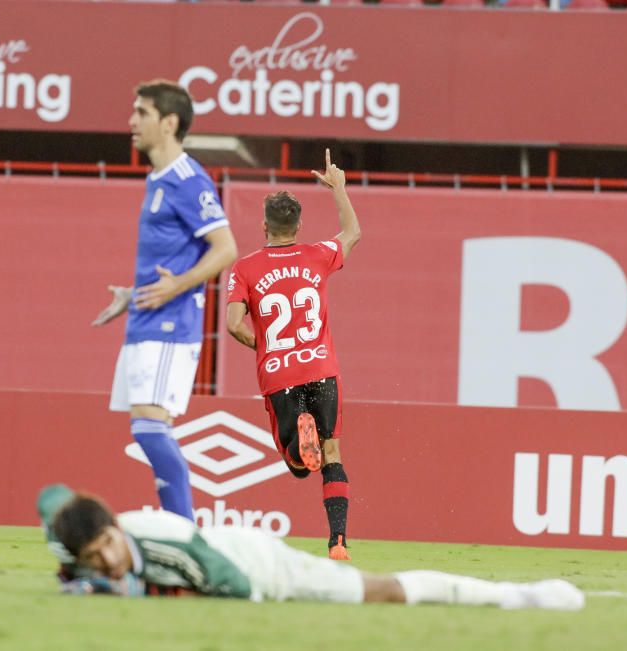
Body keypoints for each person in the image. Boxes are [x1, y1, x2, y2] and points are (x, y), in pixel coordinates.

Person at [37, 484, 586, 610]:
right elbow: (52, 502)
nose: (106, 561)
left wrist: (135, 593)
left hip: (260, 565)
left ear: (117, 527)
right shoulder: (82, 551)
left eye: (108, 546)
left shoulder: (170, 543)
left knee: (381, 592)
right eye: (93, 560)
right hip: (232, 563)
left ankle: (514, 596)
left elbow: (237, 590)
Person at [92, 80, 238, 521]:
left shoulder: (187, 179)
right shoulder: (157, 178)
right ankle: (180, 530)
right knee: (148, 430)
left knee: (150, 430)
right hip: (146, 319)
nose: (131, 122)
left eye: (142, 112)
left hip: (170, 325)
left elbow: (226, 247)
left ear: (169, 122)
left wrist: (177, 287)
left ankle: (185, 533)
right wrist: (132, 295)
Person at [224, 149, 360, 560]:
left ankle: (300, 441)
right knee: (332, 452)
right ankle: (338, 542)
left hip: (278, 372)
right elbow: (352, 232)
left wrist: (262, 345)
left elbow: (232, 324)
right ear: (298, 225)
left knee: (300, 467)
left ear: (265, 225)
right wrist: (338, 187)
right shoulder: (318, 255)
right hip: (321, 367)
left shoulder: (245, 268)